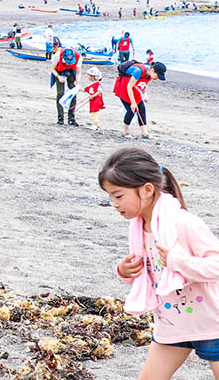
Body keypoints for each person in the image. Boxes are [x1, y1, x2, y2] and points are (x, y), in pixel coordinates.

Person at [99, 147, 219, 379]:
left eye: (118, 195)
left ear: (146, 190)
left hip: (212, 323)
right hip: (172, 323)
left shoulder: (183, 223)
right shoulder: (139, 228)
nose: (114, 203)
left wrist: (178, 261)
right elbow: (152, 273)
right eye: (110, 196)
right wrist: (125, 271)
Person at [114, 59, 167, 139]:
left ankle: (144, 133)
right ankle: (125, 132)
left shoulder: (149, 74)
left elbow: (143, 84)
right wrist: (133, 103)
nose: (157, 78)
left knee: (141, 108)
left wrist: (144, 96)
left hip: (134, 89)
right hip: (124, 87)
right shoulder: (138, 71)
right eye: (157, 76)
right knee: (131, 110)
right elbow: (129, 87)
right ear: (152, 70)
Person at [51, 46, 81, 126]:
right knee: (60, 93)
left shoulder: (78, 56)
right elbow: (53, 69)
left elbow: (78, 72)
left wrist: (77, 81)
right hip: (59, 71)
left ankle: (71, 118)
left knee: (73, 93)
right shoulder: (57, 56)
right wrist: (58, 77)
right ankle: (60, 118)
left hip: (71, 71)